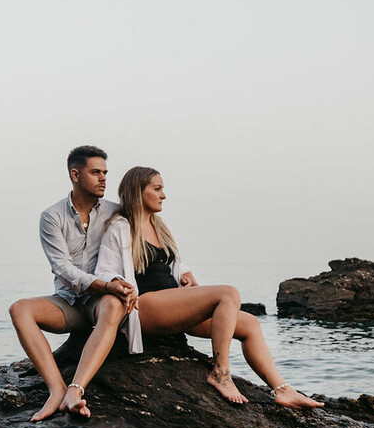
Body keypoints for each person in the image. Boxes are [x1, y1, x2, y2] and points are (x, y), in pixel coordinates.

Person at [55, 165, 322, 413]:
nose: (164, 195)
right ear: (138, 192)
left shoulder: (159, 226)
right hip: (145, 307)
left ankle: (282, 390)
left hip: (173, 306)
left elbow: (174, 264)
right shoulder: (121, 227)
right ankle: (220, 373)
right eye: (157, 189)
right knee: (228, 293)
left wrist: (185, 274)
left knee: (250, 324)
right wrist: (119, 285)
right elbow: (105, 271)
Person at [7, 145, 138, 421]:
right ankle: (56, 389)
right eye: (95, 172)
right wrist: (104, 285)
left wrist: (180, 270)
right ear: (75, 175)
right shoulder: (52, 217)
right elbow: (62, 269)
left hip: (100, 304)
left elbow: (148, 236)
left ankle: (75, 391)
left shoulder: (117, 213)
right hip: (68, 302)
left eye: (105, 172)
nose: (103, 178)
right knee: (19, 309)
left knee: (113, 307)